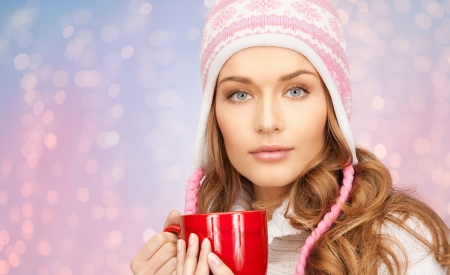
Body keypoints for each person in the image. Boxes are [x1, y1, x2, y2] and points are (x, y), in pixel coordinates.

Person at [130, 0, 450, 274]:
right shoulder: (200, 248)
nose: (267, 122)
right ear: (213, 115)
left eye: (296, 91)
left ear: (332, 105)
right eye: (240, 94)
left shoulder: (396, 242)